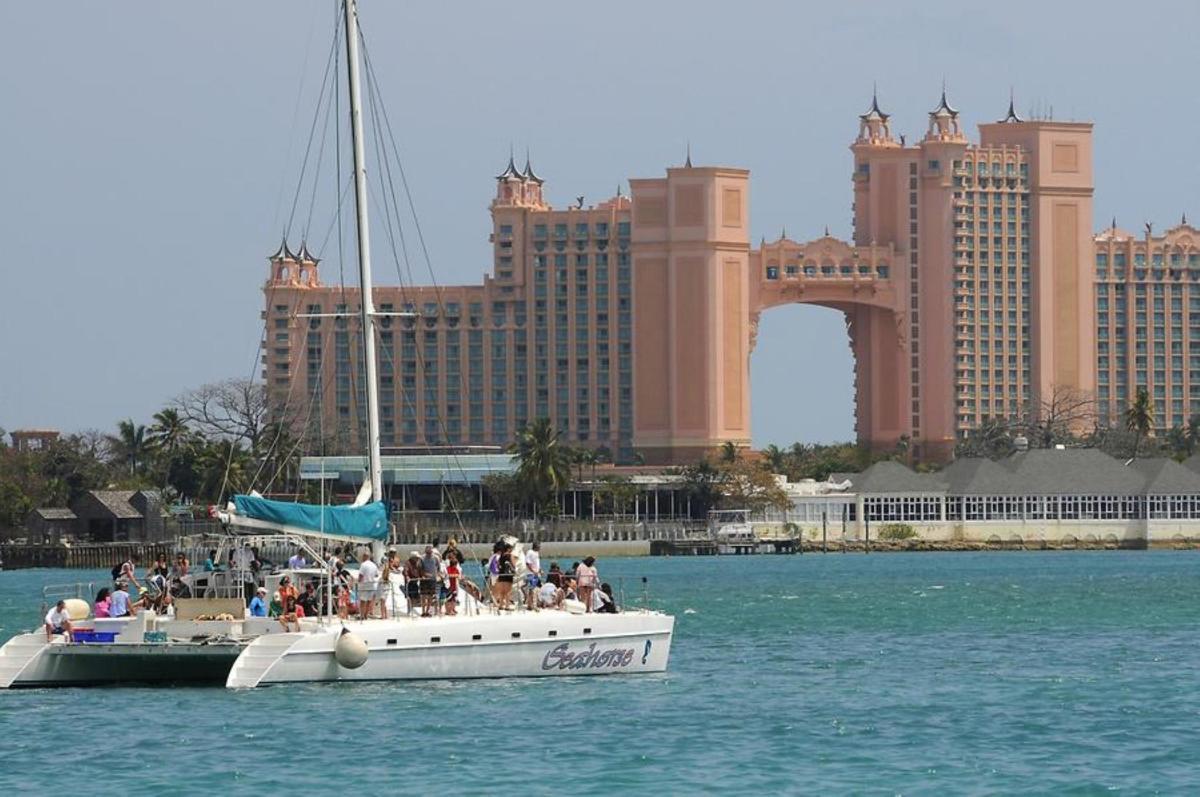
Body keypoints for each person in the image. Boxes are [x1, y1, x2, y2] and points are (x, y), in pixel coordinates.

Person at [357, 552, 380, 620]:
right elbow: (377, 575)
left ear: (364, 556)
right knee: (369, 601)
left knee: (363, 601)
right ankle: (366, 615)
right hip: (371, 584)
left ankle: (362, 616)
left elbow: (361, 575)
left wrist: (359, 581)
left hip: (364, 584)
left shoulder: (363, 564)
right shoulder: (374, 565)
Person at [420, 545, 441, 617]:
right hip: (424, 579)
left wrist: (436, 575)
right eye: (427, 553)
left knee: (430, 596)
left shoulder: (436, 558)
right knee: (423, 596)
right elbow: (420, 568)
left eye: (430, 552)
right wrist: (425, 574)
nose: (429, 554)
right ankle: (423, 611)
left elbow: (438, 568)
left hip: (432, 579)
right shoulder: (422, 558)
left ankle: (427, 611)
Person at [495, 543, 516, 609]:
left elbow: (497, 564)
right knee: (508, 591)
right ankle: (507, 605)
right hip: (508, 575)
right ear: (508, 549)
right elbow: (513, 565)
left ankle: (501, 605)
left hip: (501, 574)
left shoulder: (501, 556)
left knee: (502, 591)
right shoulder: (510, 556)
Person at [524, 542, 542, 609]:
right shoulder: (530, 552)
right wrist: (533, 571)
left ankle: (531, 604)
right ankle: (531, 605)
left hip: (536, 573)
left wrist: (540, 570)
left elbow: (537, 563)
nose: (540, 547)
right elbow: (528, 563)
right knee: (532, 589)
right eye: (539, 546)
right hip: (531, 574)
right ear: (536, 546)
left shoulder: (537, 553)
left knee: (534, 589)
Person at [444, 551, 461, 616]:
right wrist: (455, 575)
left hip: (454, 586)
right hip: (449, 586)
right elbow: (447, 575)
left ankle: (452, 609)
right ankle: (448, 611)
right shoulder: (448, 568)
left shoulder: (455, 569)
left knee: (453, 598)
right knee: (448, 599)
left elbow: (458, 575)